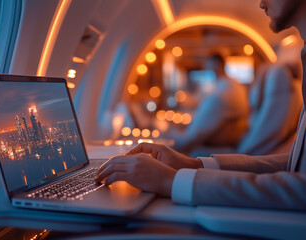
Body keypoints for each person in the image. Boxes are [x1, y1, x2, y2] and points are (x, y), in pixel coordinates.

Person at [95, 0, 306, 211]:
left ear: (215, 65)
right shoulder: (233, 88)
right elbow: (294, 165)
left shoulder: (223, 95)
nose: (260, 3)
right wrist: (196, 165)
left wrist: (172, 180)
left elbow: (194, 137)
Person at [169, 54, 249, 154]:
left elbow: (191, 138)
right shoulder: (236, 87)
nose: (206, 69)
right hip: (230, 143)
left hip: (213, 150)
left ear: (216, 65)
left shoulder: (221, 94)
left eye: (207, 66)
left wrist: (168, 135)